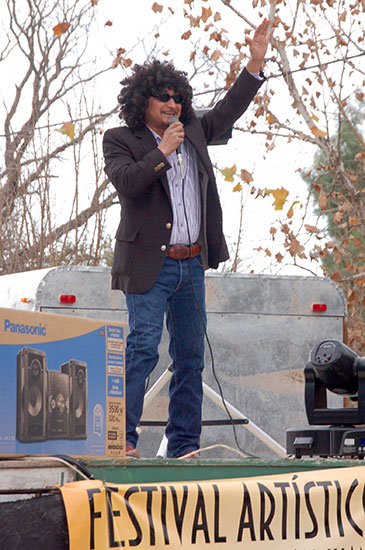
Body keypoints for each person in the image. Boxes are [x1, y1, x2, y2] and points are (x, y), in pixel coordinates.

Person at [103, 19, 273, 458]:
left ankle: (182, 445)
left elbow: (229, 108)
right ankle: (121, 441)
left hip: (191, 264)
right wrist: (162, 152)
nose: (173, 103)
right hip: (148, 266)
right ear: (143, 101)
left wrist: (254, 64)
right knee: (140, 350)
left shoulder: (194, 131)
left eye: (179, 98)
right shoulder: (121, 139)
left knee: (190, 359)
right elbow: (126, 183)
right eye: (164, 97)